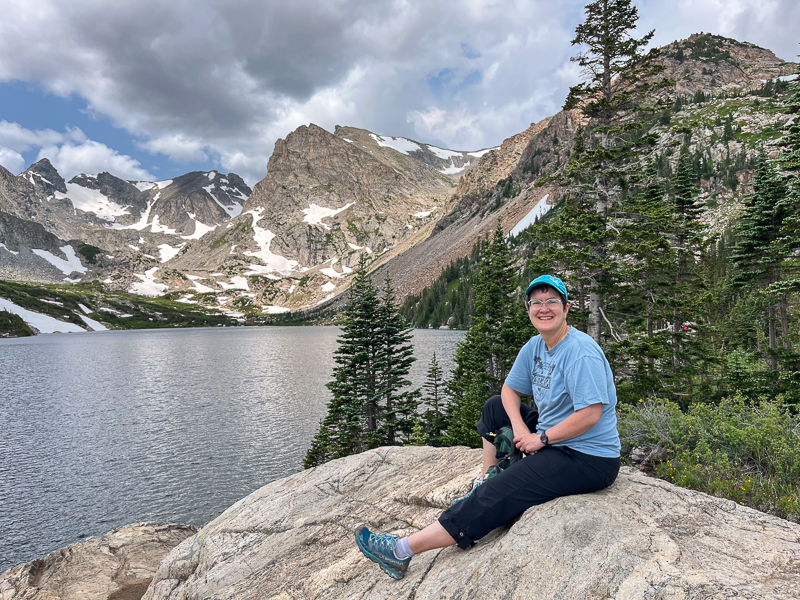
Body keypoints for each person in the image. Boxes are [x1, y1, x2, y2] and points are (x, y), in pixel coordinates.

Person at [355, 274, 621, 580]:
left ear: (566, 308)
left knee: (496, 495)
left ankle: (400, 551)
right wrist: (521, 429)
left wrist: (542, 439)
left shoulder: (580, 352)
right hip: (553, 438)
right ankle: (487, 475)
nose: (544, 308)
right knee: (495, 406)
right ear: (528, 309)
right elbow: (509, 390)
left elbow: (590, 414)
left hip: (587, 458)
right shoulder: (536, 346)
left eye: (552, 302)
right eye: (536, 302)